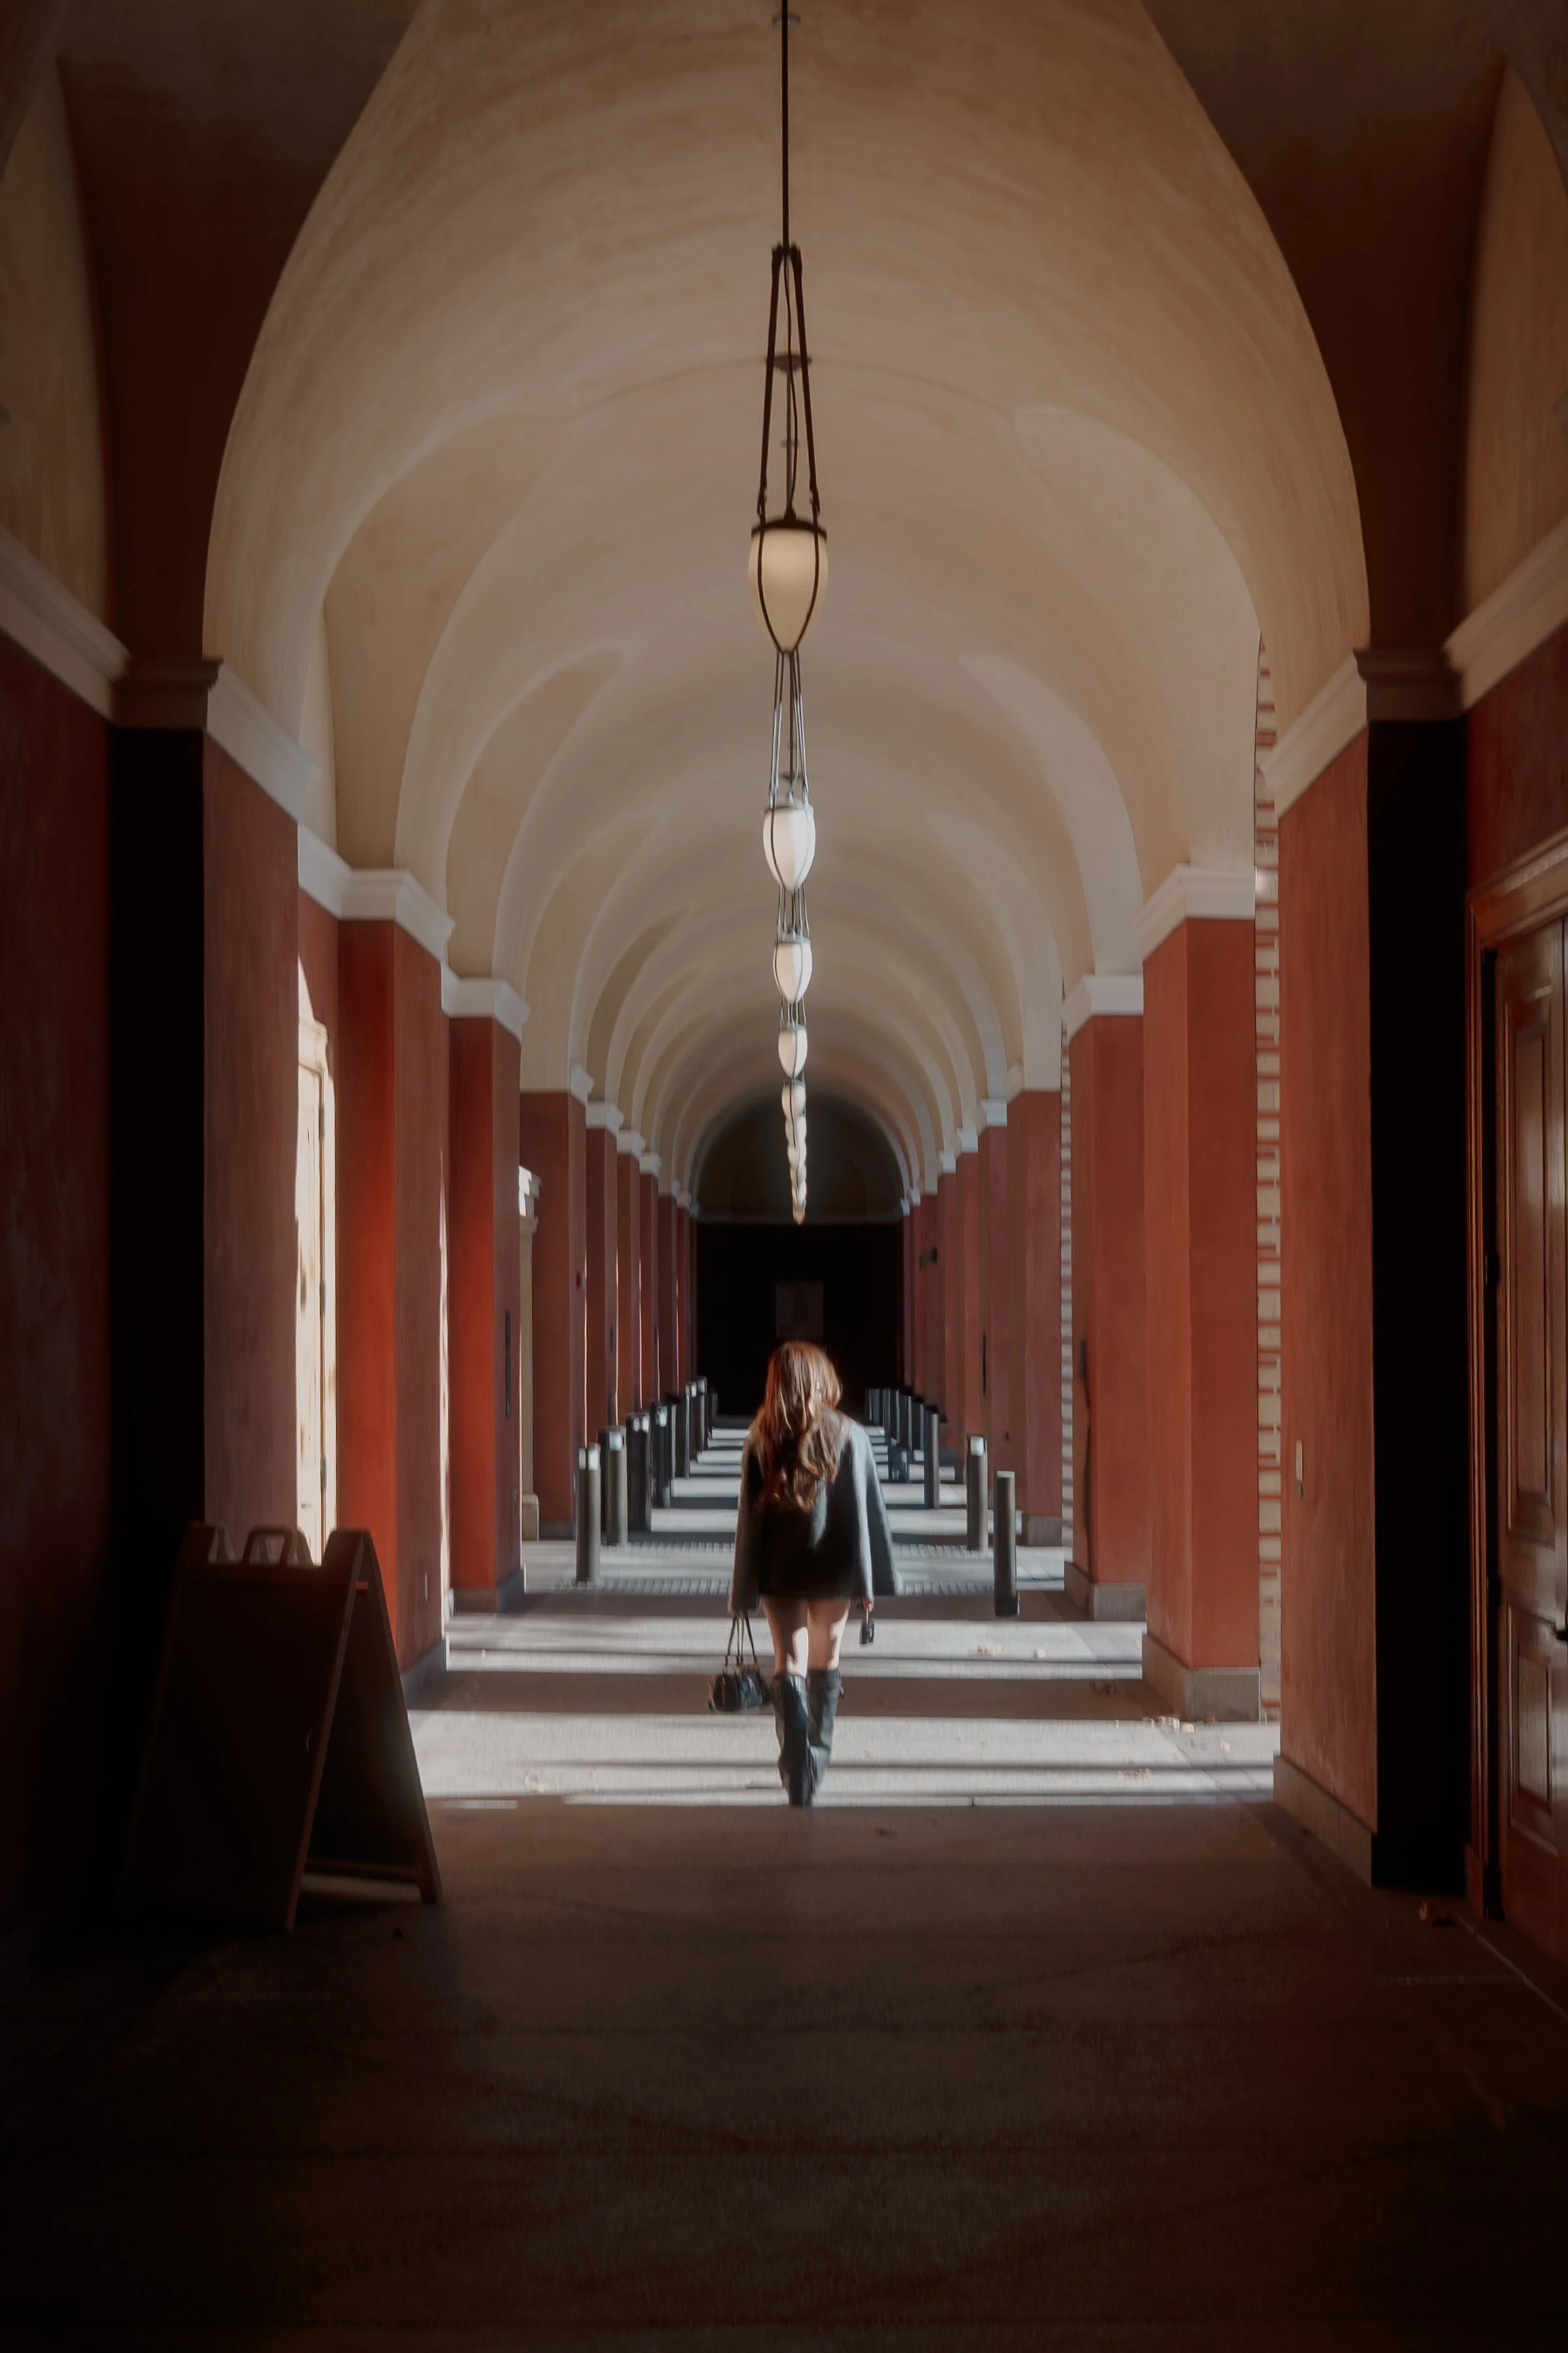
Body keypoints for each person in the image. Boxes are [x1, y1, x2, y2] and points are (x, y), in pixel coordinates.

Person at [729, 1342, 899, 1806]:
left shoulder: (760, 1440)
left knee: (790, 1664)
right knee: (826, 1664)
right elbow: (866, 1516)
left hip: (778, 1573)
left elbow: (749, 1523)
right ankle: (814, 1764)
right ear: (822, 1380)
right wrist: (867, 1585)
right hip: (833, 1573)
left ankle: (793, 1767)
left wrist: (742, 1591)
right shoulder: (849, 1435)